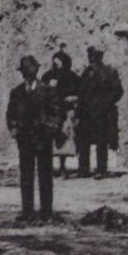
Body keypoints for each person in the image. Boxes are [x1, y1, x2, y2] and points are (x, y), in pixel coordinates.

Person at [7, 54, 63, 221]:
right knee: (26, 175)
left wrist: (52, 128)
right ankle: (27, 211)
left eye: (30, 69)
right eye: (24, 70)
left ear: (37, 70)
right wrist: (14, 128)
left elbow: (57, 112)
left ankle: (46, 211)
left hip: (43, 138)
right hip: (24, 139)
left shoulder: (47, 90)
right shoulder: (16, 92)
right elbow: (10, 114)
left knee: (45, 175)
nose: (27, 73)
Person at [76, 46, 124, 178]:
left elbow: (118, 91)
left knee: (101, 140)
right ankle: (83, 169)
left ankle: (101, 169)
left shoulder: (109, 72)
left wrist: (105, 103)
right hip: (86, 112)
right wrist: (79, 110)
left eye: (94, 56)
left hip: (102, 113)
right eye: (89, 56)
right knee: (83, 140)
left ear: (100, 57)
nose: (91, 59)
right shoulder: (86, 72)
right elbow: (81, 92)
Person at [43, 48, 82, 176]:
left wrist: (72, 98)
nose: (57, 63)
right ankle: (49, 167)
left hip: (66, 111)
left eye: (59, 61)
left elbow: (80, 93)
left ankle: (63, 167)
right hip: (51, 112)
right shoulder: (48, 76)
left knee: (65, 138)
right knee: (50, 139)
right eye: (55, 61)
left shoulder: (72, 77)